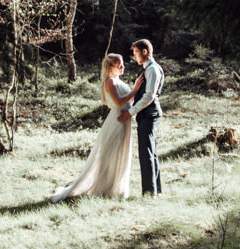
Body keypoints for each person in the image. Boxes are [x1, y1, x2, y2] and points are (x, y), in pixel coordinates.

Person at [50, 53, 134, 202]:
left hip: (125, 120)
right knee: (112, 154)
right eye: (119, 65)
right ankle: (104, 187)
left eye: (122, 64)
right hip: (117, 120)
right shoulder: (110, 82)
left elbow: (128, 100)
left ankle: (113, 187)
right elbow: (120, 102)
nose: (122, 67)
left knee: (119, 153)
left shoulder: (117, 80)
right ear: (110, 67)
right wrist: (136, 89)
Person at [118, 38, 163, 195]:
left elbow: (149, 95)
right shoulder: (146, 68)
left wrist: (130, 112)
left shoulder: (152, 70)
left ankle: (149, 192)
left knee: (146, 153)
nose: (134, 56)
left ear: (145, 51)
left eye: (136, 52)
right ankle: (155, 190)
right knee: (150, 151)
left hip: (149, 113)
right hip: (147, 113)